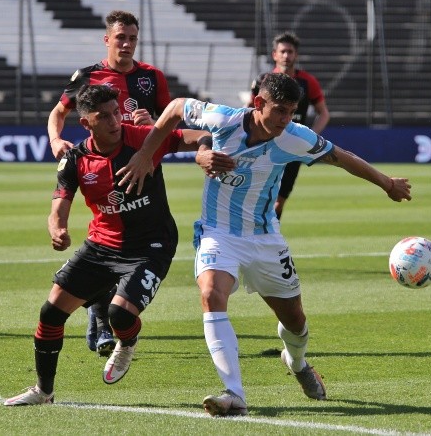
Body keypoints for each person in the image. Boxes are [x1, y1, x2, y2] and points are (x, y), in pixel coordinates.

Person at [116, 73, 411, 417]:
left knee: (295, 320)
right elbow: (176, 108)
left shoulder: (294, 138)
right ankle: (234, 393)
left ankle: (297, 362)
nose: (286, 120)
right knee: (211, 293)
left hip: (265, 238)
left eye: (291, 112)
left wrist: (387, 183)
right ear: (258, 104)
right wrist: (147, 155)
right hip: (218, 232)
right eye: (280, 111)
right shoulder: (223, 120)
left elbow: (341, 157)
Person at [4, 84, 216, 406]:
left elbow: (197, 135)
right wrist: (57, 228)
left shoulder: (144, 138)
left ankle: (127, 342)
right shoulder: (76, 159)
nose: (115, 121)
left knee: (119, 314)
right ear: (86, 123)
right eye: (103, 116)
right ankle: (44, 392)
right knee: (50, 313)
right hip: (102, 245)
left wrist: (202, 152)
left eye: (116, 112)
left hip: (151, 244)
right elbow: (59, 204)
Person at [46, 10, 173, 357]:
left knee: (134, 230)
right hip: (98, 164)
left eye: (133, 37)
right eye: (121, 37)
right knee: (108, 232)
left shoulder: (151, 77)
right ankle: (100, 318)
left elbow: (171, 118)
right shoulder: (88, 76)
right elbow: (58, 112)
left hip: (140, 163)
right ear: (108, 39)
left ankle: (105, 314)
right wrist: (57, 140)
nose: (128, 43)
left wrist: (154, 123)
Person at [248, 32, 330, 219]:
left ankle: (271, 235)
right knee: (256, 196)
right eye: (283, 51)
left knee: (279, 202)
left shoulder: (308, 82)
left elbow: (324, 113)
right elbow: (249, 111)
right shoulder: (263, 81)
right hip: (264, 145)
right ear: (274, 54)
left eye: (290, 52)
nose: (287, 55)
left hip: (292, 147)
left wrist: (311, 138)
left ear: (296, 55)